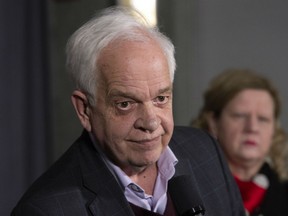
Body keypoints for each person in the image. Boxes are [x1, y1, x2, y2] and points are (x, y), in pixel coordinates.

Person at [11, 7, 245, 216]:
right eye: (126, 104)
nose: (151, 122)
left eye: (161, 98)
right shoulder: (45, 209)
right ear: (84, 110)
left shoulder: (206, 151)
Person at [192, 68, 288, 216]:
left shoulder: (283, 193)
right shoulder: (189, 189)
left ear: (273, 130)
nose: (252, 128)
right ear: (214, 123)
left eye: (263, 119)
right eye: (240, 116)